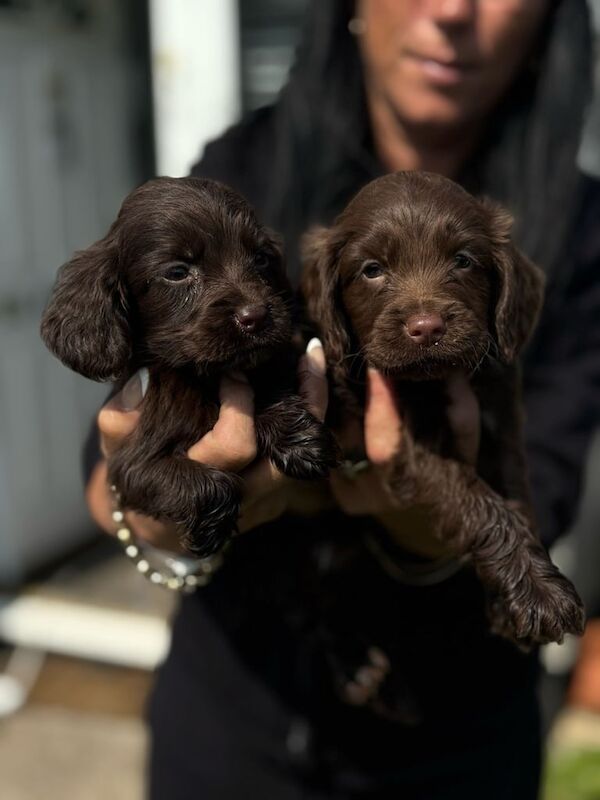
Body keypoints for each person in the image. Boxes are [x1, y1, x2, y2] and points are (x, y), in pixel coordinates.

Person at [85, 1, 600, 797]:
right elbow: (108, 454)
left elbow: (548, 484)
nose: (453, 10)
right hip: (234, 719)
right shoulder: (242, 168)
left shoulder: (581, 228)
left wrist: (424, 523)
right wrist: (161, 512)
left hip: (454, 738)